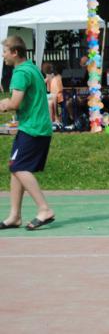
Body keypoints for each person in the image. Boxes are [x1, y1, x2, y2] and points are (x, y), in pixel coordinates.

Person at [0, 36, 55, 231]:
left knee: (19, 167)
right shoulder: (31, 67)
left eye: (5, 52)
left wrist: (3, 104)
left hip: (33, 128)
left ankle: (44, 209)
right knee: (15, 167)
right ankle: (14, 216)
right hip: (36, 127)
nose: (3, 56)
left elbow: (15, 103)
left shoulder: (20, 72)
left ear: (15, 53)